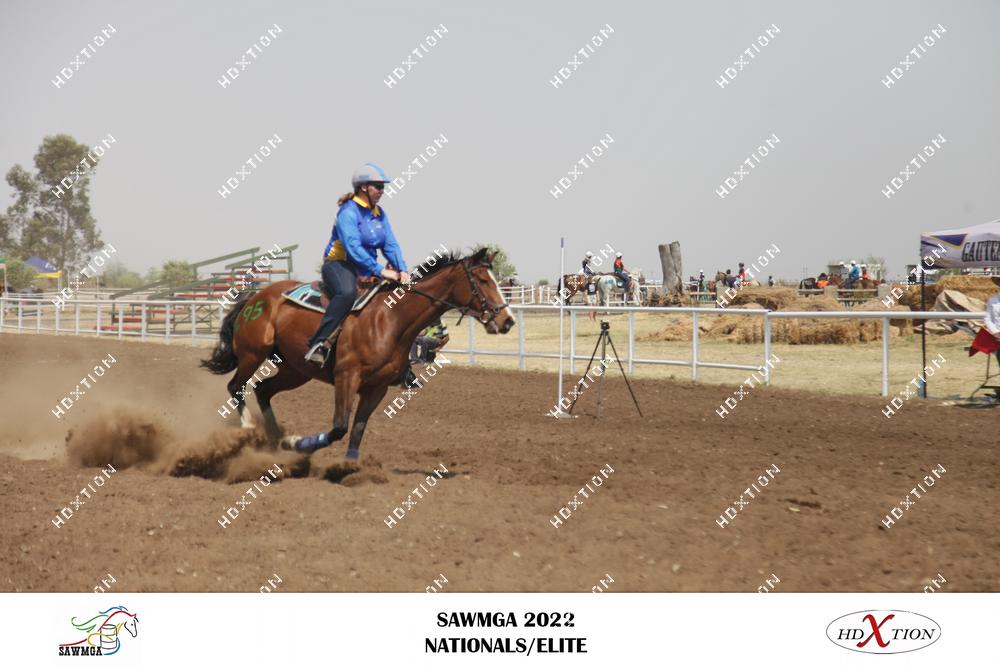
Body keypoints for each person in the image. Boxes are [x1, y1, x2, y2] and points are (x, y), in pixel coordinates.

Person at [305, 163, 410, 366]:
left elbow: (390, 244)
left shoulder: (380, 213)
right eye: (378, 186)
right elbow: (353, 248)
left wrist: (402, 269)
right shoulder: (348, 212)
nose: (382, 191)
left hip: (366, 268)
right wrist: (380, 270)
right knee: (346, 294)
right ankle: (318, 344)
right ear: (364, 187)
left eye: (383, 187)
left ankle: (401, 360)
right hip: (339, 265)